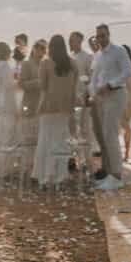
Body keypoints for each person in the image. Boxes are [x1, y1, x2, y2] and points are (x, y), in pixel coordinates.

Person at [89, 24, 131, 190]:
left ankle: (117, 175)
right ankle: (109, 173)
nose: (100, 39)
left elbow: (129, 72)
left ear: (108, 35)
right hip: (100, 99)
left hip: (116, 95)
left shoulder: (119, 51)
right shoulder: (98, 55)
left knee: (111, 135)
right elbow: (95, 77)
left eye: (103, 35)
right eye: (98, 36)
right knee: (104, 138)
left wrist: (110, 85)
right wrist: (92, 95)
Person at [32, 34, 78, 188]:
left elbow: (42, 86)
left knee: (45, 140)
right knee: (60, 142)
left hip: (48, 106)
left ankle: (45, 177)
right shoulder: (72, 63)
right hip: (65, 108)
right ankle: (59, 176)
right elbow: (74, 87)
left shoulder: (45, 62)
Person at [18, 39, 45, 148]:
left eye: (43, 48)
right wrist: (37, 83)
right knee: (28, 139)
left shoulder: (45, 64)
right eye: (39, 48)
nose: (41, 51)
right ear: (34, 48)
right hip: (29, 104)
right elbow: (22, 83)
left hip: (42, 105)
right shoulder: (26, 64)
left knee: (39, 139)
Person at [68, 31, 94, 145]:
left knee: (84, 127)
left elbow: (91, 77)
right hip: (71, 96)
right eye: (69, 40)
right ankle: (74, 155)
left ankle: (86, 157)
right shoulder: (70, 56)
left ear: (79, 41)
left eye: (71, 40)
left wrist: (81, 80)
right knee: (72, 126)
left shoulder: (87, 57)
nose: (69, 42)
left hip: (83, 96)